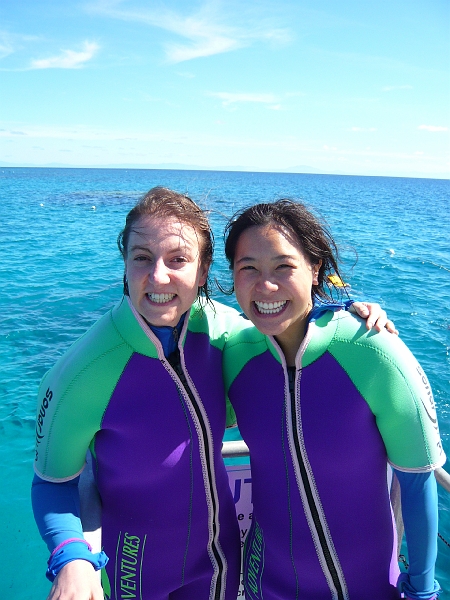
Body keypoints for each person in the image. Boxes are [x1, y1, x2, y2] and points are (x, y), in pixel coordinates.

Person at [32, 187, 395, 600]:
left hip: (223, 563)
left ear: (203, 272)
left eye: (178, 260)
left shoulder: (226, 333)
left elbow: (286, 328)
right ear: (125, 265)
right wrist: (71, 557)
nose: (158, 277)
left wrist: (345, 311)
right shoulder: (84, 370)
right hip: (135, 565)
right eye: (142, 258)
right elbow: (51, 481)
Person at [222, 199, 444, 600]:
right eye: (248, 268)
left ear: (315, 269)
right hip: (264, 585)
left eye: (284, 267)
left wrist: (423, 589)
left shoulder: (373, 351)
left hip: (368, 587)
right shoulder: (236, 356)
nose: (265, 285)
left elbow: (417, 481)